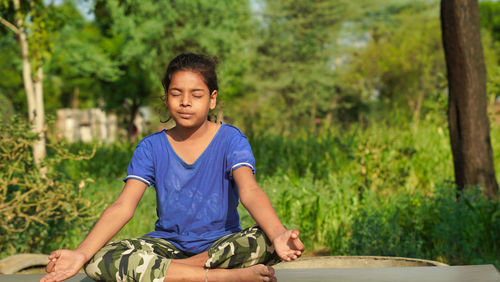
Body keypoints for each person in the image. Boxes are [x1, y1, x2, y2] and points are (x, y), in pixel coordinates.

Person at [40, 53, 304, 282]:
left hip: (222, 246)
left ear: (212, 99)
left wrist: (279, 233)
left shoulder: (231, 140)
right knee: (100, 260)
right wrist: (81, 254)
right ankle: (222, 278)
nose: (185, 102)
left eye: (196, 95)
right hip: (168, 247)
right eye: (176, 93)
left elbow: (250, 192)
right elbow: (123, 206)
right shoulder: (151, 147)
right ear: (166, 98)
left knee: (265, 240)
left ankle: (167, 274)